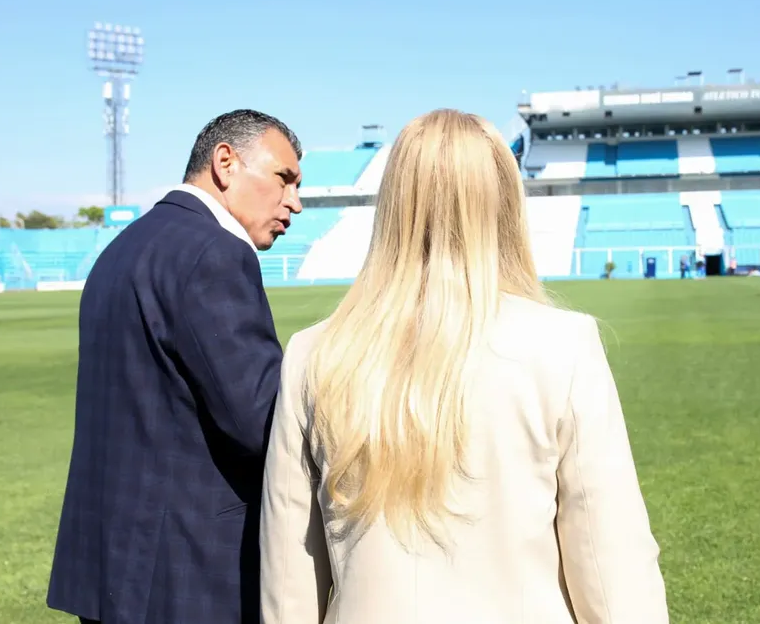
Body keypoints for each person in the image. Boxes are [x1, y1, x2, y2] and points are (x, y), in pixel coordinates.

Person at [259, 109, 668, 623]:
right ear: (505, 202)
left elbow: (287, 586)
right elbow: (613, 572)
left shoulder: (314, 354)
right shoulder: (564, 346)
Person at [47, 109, 303, 624]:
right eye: (285, 179)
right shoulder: (216, 251)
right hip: (184, 573)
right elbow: (264, 422)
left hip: (106, 568)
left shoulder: (122, 248)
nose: (294, 203)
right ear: (226, 163)